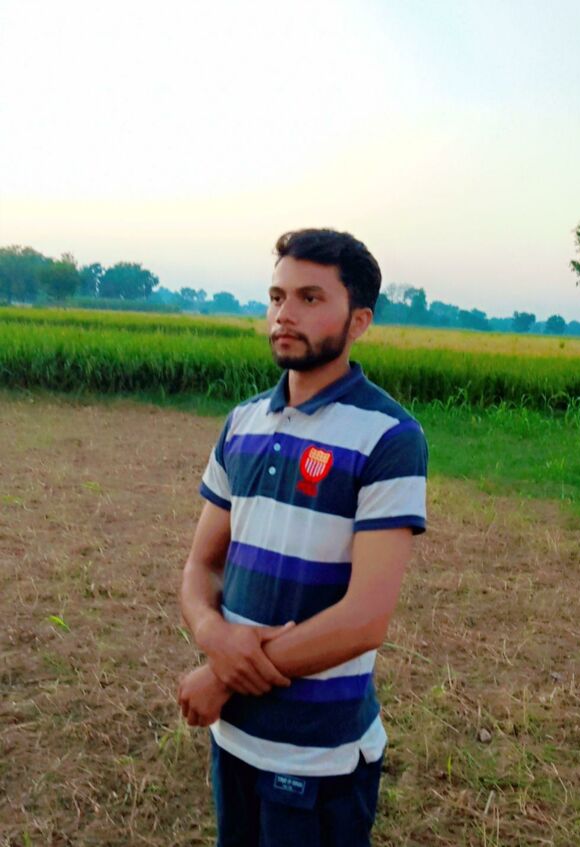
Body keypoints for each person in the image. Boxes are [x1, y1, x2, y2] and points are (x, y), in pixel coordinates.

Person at [178, 228, 428, 847]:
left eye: (310, 298)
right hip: (233, 736)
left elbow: (365, 619)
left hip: (320, 758)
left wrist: (223, 675)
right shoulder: (241, 424)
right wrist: (212, 635)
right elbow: (202, 566)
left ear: (359, 320)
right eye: (277, 296)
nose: (284, 314)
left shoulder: (389, 437)